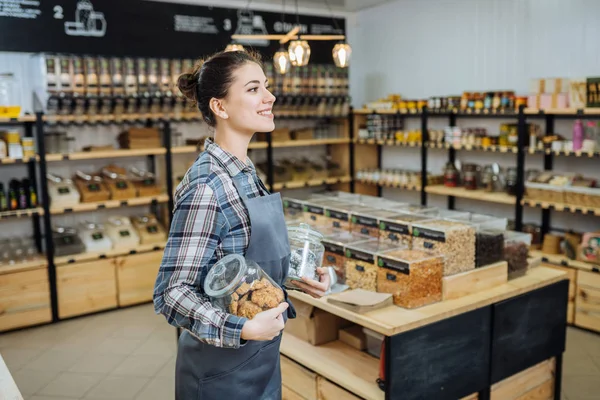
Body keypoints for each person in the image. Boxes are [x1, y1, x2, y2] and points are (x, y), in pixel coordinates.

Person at [153, 50, 331, 400]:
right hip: (220, 373)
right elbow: (171, 292)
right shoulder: (207, 185)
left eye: (266, 86)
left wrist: (298, 275)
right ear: (220, 107)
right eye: (253, 89)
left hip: (260, 361)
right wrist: (244, 327)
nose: (270, 97)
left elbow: (241, 263)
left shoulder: (247, 173)